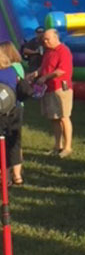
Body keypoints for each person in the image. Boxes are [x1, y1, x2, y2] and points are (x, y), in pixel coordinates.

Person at [28, 29, 73, 158]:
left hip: (60, 88)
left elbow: (61, 70)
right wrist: (36, 74)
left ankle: (67, 146)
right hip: (49, 88)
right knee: (53, 117)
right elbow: (43, 67)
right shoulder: (48, 52)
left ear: (56, 37)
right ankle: (57, 145)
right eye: (44, 39)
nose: (45, 41)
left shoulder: (63, 51)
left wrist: (45, 77)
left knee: (64, 116)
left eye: (47, 39)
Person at [0, 42, 31, 186]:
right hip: (15, 110)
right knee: (14, 143)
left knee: (2, 144)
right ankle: (17, 176)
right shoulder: (12, 71)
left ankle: (4, 177)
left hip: (2, 113)